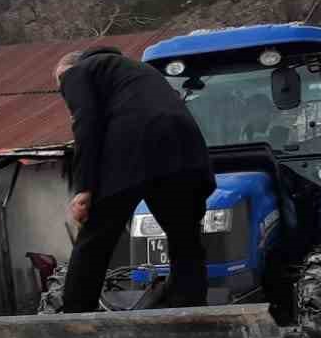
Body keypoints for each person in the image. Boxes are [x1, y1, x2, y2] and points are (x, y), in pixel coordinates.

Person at [55, 47, 215, 313]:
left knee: (96, 237)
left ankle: (75, 318)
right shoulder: (137, 72)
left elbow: (86, 123)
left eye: (62, 90)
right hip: (185, 145)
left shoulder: (76, 72)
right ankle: (192, 314)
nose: (65, 95)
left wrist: (83, 188)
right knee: (185, 238)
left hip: (135, 144)